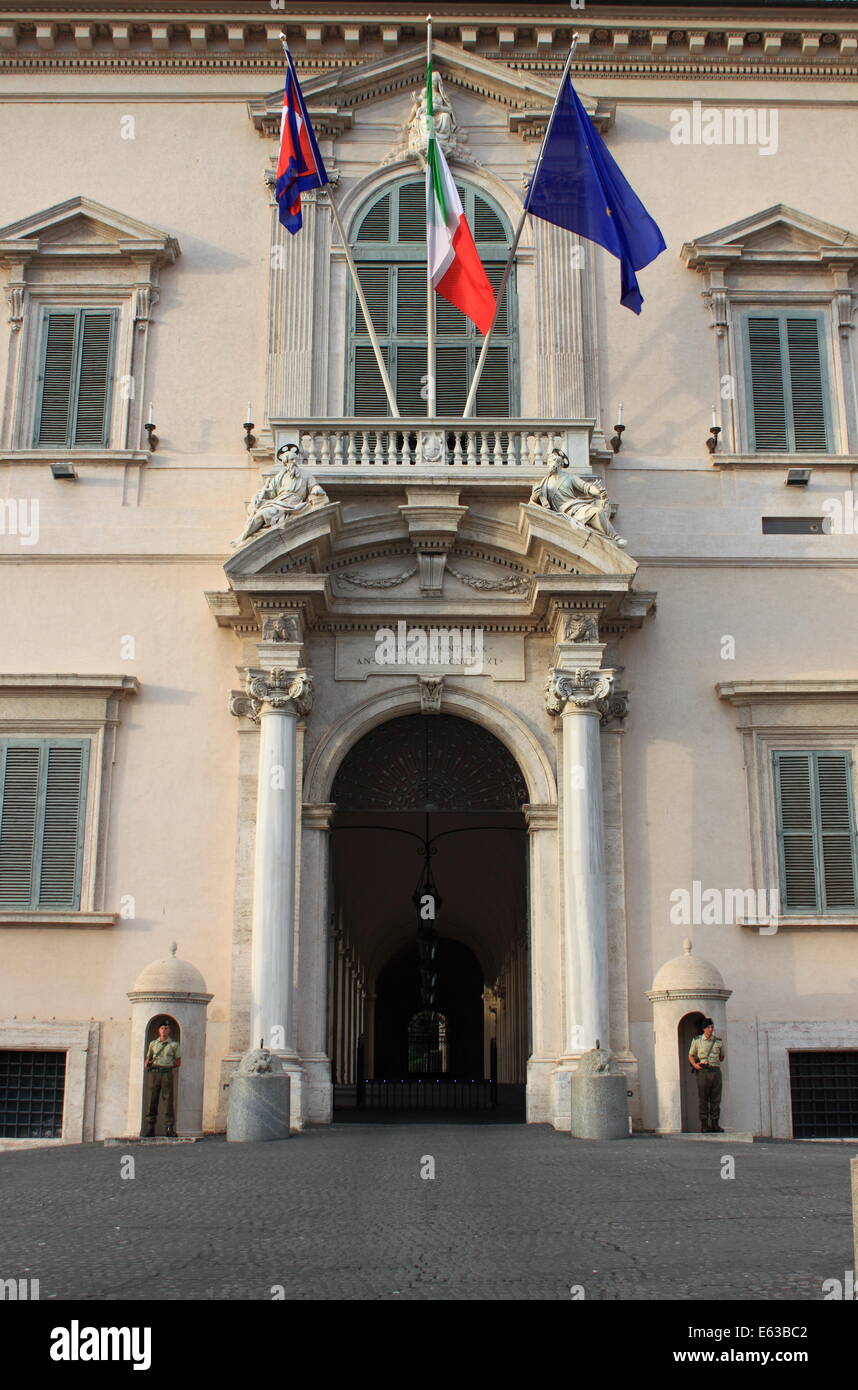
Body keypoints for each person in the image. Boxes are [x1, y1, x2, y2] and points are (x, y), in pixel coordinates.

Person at [529, 449, 627, 547]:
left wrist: (598, 491)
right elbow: (535, 504)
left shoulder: (569, 478)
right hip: (559, 511)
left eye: (552, 461)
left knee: (598, 512)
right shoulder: (544, 482)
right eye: (549, 462)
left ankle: (615, 537)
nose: (550, 464)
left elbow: (586, 487)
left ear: (560, 464)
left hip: (574, 507)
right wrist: (534, 497)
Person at [142, 1021, 181, 1138]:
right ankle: (150, 1127)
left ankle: (169, 1127)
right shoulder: (153, 1044)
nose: (164, 1030)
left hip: (166, 1073)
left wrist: (167, 1066)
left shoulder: (174, 1045)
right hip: (154, 1073)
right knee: (151, 1100)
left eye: (166, 1028)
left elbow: (178, 1061)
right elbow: (148, 1057)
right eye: (162, 1028)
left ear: (169, 1030)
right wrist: (147, 1064)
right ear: (158, 1030)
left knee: (168, 1101)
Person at [688, 1018, 725, 1132]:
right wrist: (695, 1065)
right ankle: (704, 1125)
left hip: (715, 1071)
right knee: (703, 1099)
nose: (711, 1029)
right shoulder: (697, 1040)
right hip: (703, 1072)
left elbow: (722, 1056)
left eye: (712, 1027)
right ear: (704, 1029)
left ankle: (715, 1124)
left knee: (716, 1099)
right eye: (708, 1027)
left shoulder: (718, 1041)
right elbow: (691, 1055)